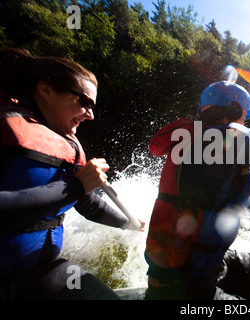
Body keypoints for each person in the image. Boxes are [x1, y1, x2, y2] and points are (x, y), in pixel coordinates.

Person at [145, 80, 250, 300]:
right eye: (244, 117)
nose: (246, 123)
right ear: (234, 110)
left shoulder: (189, 135)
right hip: (189, 289)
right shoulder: (229, 138)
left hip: (196, 265)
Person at [0, 48, 144, 300]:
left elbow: (85, 202)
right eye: (85, 102)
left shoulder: (65, 144)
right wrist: (75, 186)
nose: (90, 114)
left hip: (41, 272)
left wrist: (128, 224)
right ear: (46, 90)